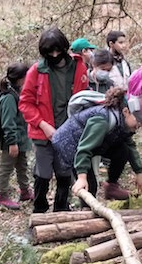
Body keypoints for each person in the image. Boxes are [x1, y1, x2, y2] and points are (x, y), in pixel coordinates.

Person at [19, 28, 89, 213]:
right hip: (42, 132)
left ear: (65, 48)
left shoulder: (78, 68)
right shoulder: (36, 71)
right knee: (43, 172)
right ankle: (39, 209)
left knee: (64, 172)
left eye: (58, 50)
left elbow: (84, 100)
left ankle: (61, 208)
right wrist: (43, 125)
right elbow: (25, 103)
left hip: (69, 130)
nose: (55, 55)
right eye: (50, 52)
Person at [66, 88, 142, 206]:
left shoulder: (122, 123)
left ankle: (111, 187)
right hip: (71, 147)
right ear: (126, 112)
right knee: (89, 184)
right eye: (138, 119)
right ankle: (85, 213)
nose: (140, 124)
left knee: (123, 150)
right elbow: (84, 149)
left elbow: (129, 146)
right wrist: (82, 176)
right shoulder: (103, 119)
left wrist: (139, 172)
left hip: (89, 146)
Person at [0, 62, 33, 210]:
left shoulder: (17, 93)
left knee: (22, 166)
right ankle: (1, 196)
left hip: (21, 140)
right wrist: (12, 142)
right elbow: (8, 123)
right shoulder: (9, 98)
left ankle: (25, 191)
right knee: (6, 168)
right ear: (20, 78)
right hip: (11, 142)